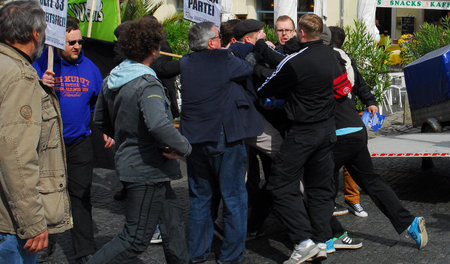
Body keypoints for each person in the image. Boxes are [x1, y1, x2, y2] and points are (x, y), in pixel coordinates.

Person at [89, 16, 191, 264]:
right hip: (146, 168)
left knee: (172, 224)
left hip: (137, 163)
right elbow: (158, 125)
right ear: (154, 50)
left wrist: (127, 137)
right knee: (135, 238)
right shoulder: (147, 84)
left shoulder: (113, 77)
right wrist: (184, 147)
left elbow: (100, 120)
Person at [257, 14, 351, 263]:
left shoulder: (295, 61)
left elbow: (265, 89)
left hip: (303, 131)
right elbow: (344, 89)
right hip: (327, 129)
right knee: (320, 189)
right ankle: (322, 242)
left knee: (279, 184)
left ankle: (303, 240)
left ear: (301, 33)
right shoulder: (332, 56)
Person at [325, 25, 428, 253]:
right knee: (372, 181)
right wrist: (370, 100)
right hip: (355, 130)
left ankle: (329, 235)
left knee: (316, 185)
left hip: (336, 133)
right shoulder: (347, 59)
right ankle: (409, 222)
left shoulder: (323, 60)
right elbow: (360, 83)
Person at [180, 22, 263, 263]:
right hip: (222, 138)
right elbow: (246, 68)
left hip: (194, 139)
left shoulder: (185, 62)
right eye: (218, 37)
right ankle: (230, 256)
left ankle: (197, 253)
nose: (220, 40)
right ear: (211, 43)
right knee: (234, 197)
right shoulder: (223, 60)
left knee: (199, 198)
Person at [33, 16, 111, 263]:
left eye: (79, 41)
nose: (77, 46)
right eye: (71, 43)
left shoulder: (91, 68)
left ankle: (84, 249)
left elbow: (98, 105)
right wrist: (39, 84)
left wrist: (105, 128)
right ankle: (44, 242)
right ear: (57, 43)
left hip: (79, 143)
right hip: (48, 144)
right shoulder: (41, 64)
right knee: (46, 196)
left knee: (81, 194)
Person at [0, 1, 72, 263]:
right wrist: (32, 221)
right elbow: (16, 155)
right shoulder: (20, 77)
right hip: (9, 225)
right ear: (35, 33)